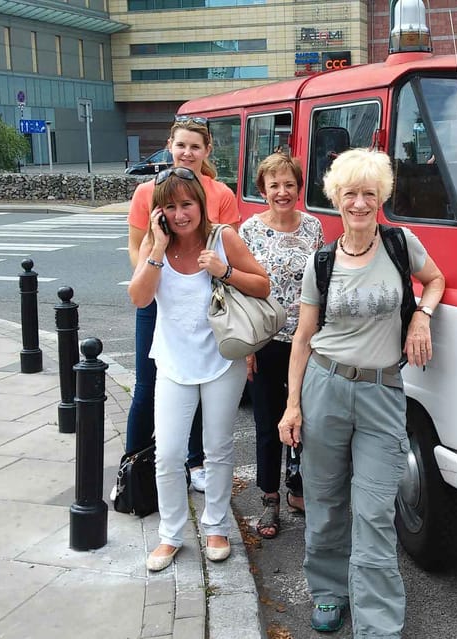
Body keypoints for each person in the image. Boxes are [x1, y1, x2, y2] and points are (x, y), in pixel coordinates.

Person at [277, 148, 445, 636]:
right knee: (326, 500)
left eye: (369, 193)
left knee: (374, 510)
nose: (359, 203)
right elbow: (303, 339)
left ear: (381, 197)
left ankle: (377, 624)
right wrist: (292, 406)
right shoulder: (322, 261)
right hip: (324, 387)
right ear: (336, 198)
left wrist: (421, 316)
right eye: (350, 193)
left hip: (382, 392)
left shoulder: (400, 245)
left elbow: (434, 280)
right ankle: (329, 592)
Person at [128, 168, 270, 572]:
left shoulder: (222, 238)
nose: (179, 214)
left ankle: (215, 526)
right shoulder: (157, 246)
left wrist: (222, 270)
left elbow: (263, 285)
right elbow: (140, 299)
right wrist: (155, 247)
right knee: (169, 453)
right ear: (159, 212)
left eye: (186, 204)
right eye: (169, 207)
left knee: (218, 449)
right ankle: (171, 534)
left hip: (221, 360)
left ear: (200, 205)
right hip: (173, 362)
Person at [126, 115, 240, 493]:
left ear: (206, 151)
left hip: (205, 299)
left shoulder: (220, 194)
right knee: (148, 385)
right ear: (170, 147)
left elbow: (228, 247)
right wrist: (154, 279)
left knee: (200, 379)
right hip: (162, 289)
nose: (187, 152)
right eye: (181, 145)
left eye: (195, 146)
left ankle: (195, 462)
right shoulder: (147, 192)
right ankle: (134, 465)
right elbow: (137, 243)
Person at [239, 152, 324, 539]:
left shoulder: (314, 228)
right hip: (266, 340)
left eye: (289, 184)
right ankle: (270, 498)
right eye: (274, 185)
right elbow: (239, 288)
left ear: (299, 188)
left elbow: (324, 284)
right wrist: (247, 348)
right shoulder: (249, 231)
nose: (282, 192)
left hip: (306, 340)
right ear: (263, 190)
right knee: (268, 421)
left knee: (306, 418)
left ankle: (299, 487)